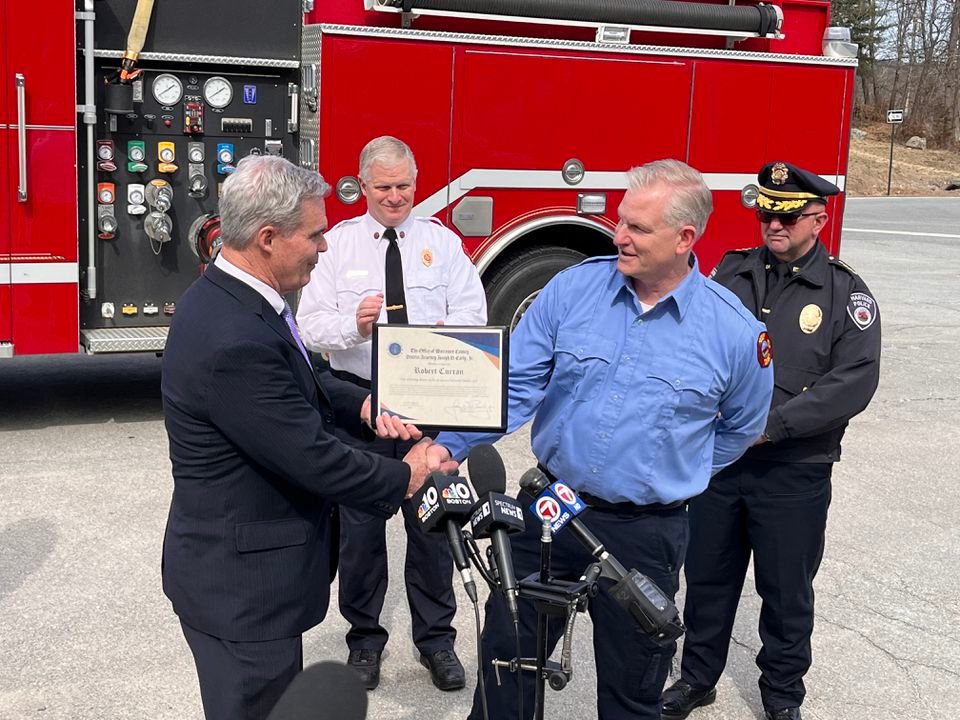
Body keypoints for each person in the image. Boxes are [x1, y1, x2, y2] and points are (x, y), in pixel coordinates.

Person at [427, 159, 774, 720]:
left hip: (647, 531)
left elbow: (741, 427)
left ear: (686, 238)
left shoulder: (735, 333)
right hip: (552, 506)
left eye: (637, 227)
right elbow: (515, 386)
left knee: (633, 690)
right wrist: (447, 445)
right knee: (506, 667)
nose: (619, 236)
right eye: (620, 221)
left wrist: (673, 472)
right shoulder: (573, 288)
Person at [160, 155, 454, 720]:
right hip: (244, 595)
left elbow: (301, 374)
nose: (325, 247)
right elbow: (314, 458)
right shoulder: (233, 336)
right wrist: (409, 472)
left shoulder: (238, 296)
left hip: (241, 581)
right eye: (315, 235)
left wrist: (362, 401)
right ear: (268, 237)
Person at [662, 161, 881, 720]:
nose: (772, 224)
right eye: (765, 213)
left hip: (794, 469)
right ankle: (697, 679)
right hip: (721, 465)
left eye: (785, 216)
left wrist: (772, 426)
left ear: (819, 219)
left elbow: (853, 381)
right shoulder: (731, 273)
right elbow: (690, 344)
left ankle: (782, 698)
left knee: (786, 593)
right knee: (708, 578)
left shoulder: (844, 293)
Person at [297, 136, 486, 691]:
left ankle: (437, 642)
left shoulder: (442, 243)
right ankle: (364, 641)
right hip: (362, 406)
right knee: (359, 535)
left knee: (434, 529)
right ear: (362, 185)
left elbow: (472, 314)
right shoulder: (337, 245)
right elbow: (309, 325)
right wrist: (353, 327)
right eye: (384, 187)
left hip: (428, 406)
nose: (397, 196)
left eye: (405, 185)